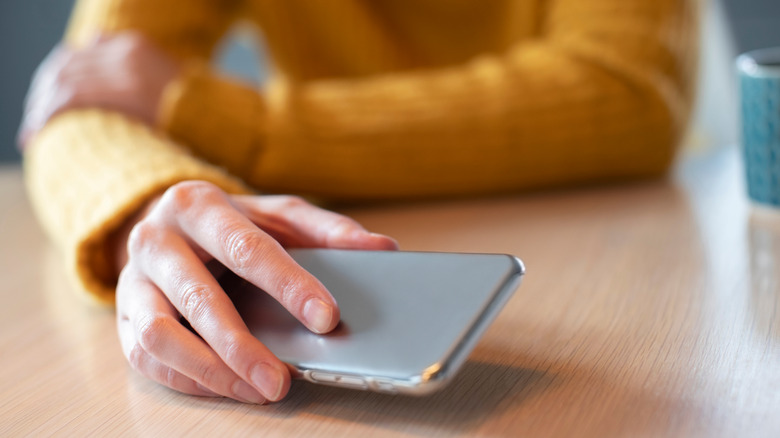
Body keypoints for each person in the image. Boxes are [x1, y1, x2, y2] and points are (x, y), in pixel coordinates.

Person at [19, 0, 699, 404]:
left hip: (634, 260)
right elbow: (81, 91)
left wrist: (231, 120)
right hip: (319, 243)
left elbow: (627, 92)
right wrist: (149, 206)